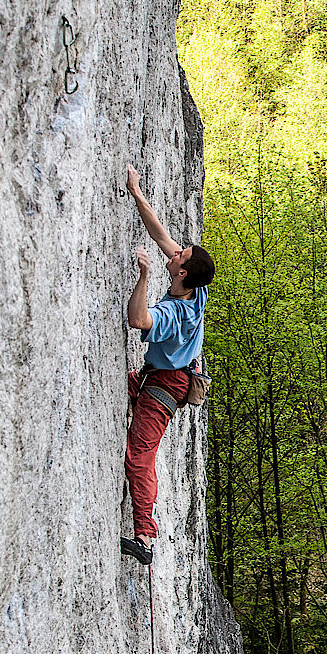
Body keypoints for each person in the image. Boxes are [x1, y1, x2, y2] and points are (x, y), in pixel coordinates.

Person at [120, 164, 214, 566]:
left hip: (164, 386)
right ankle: (132, 390)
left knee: (139, 454)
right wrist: (137, 193)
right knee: (132, 396)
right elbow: (160, 233)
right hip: (163, 378)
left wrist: (142, 276)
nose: (175, 252)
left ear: (183, 274)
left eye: (180, 255)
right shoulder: (196, 289)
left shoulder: (176, 312)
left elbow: (139, 320)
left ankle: (145, 536)